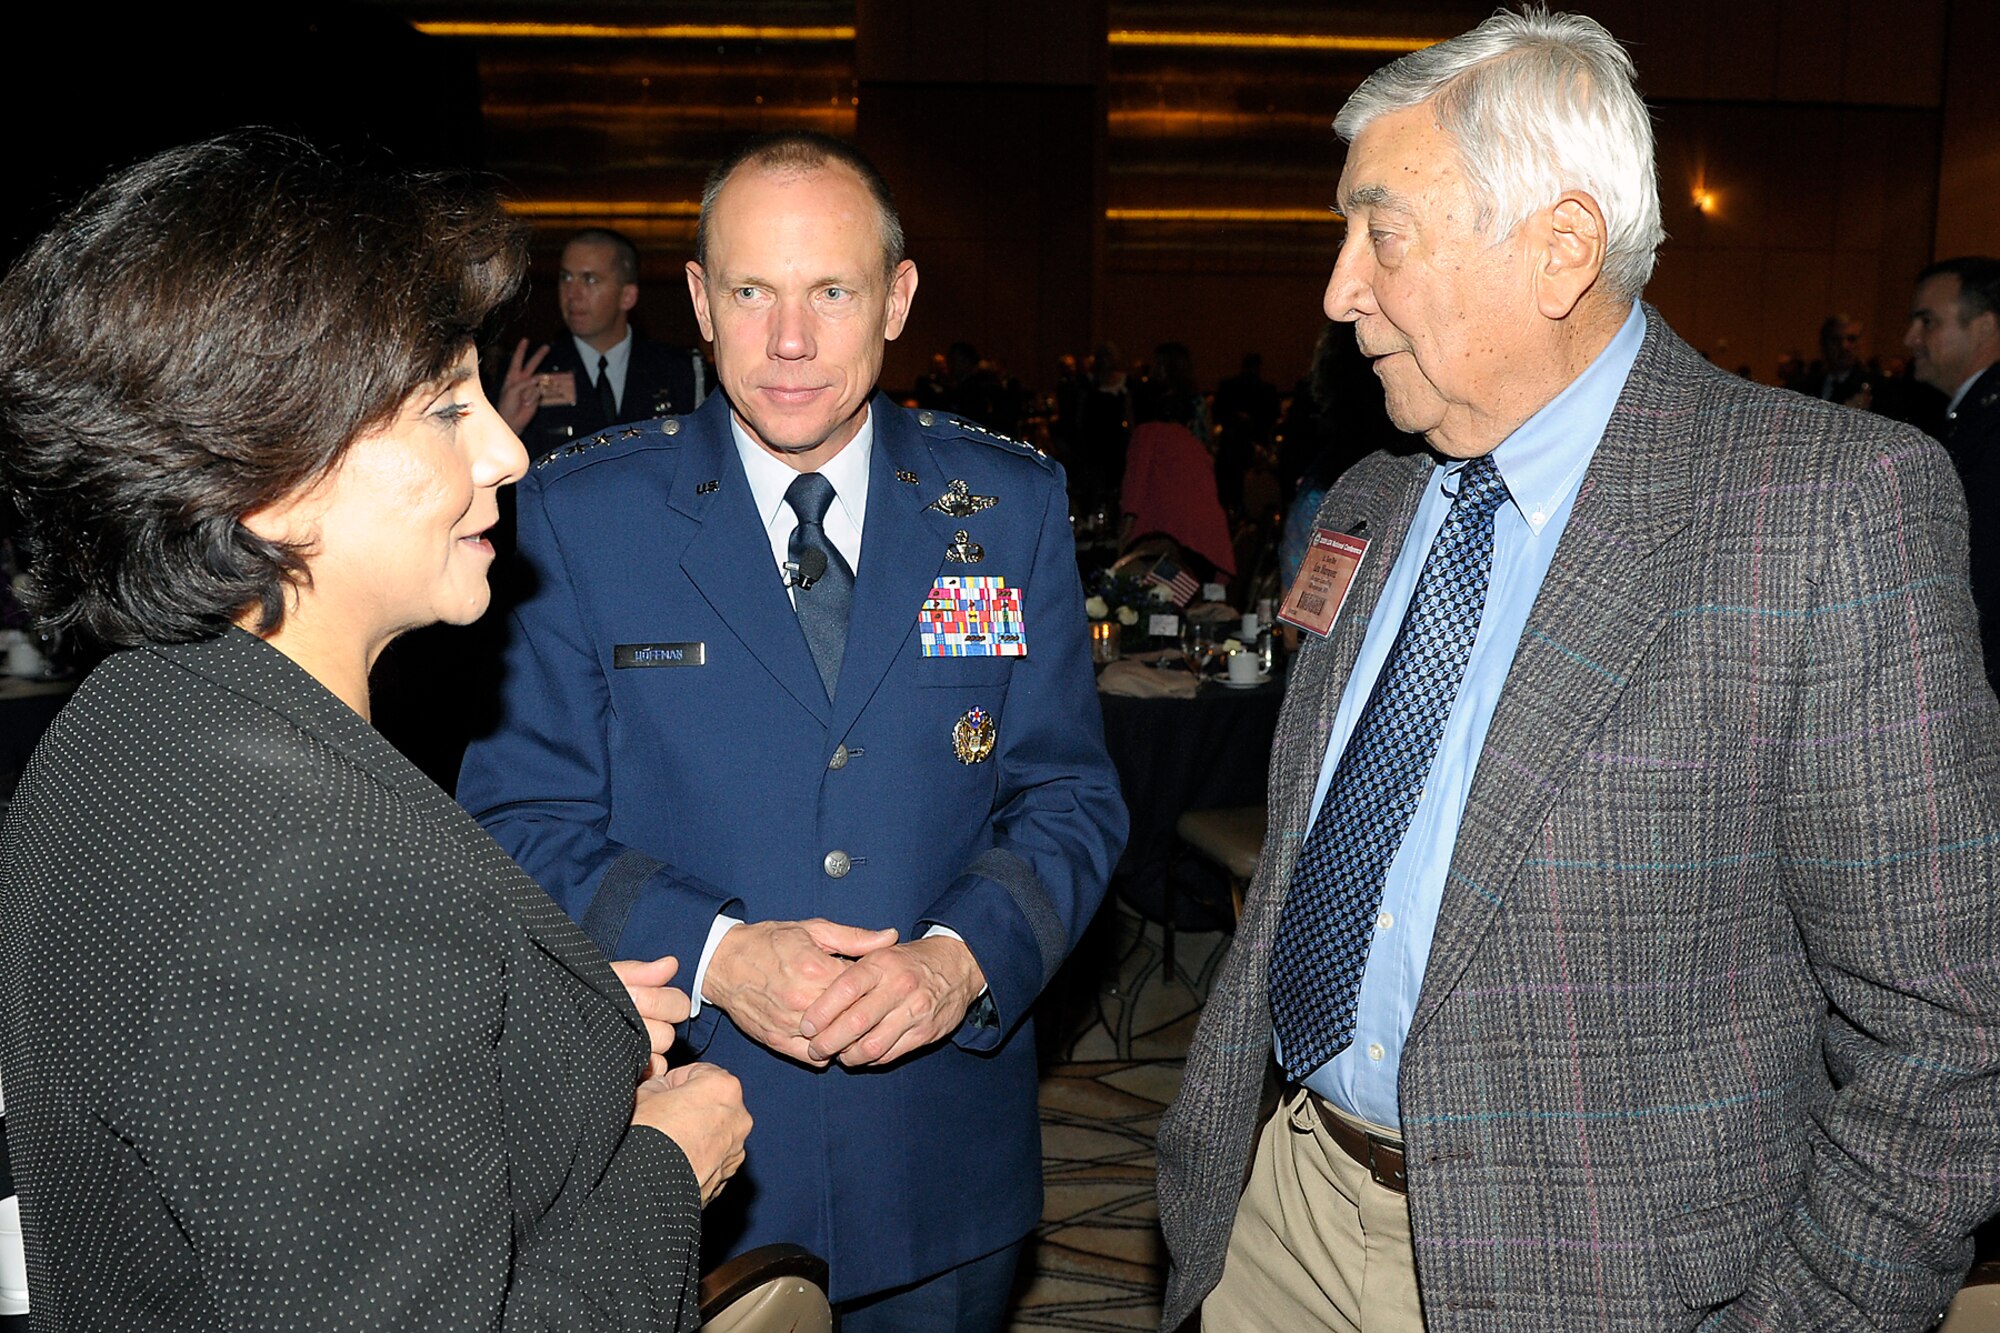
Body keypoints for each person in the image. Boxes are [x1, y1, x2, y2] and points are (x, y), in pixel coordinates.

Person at [1155, 11, 2000, 1332]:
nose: (1336, 290)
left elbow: (1945, 1040)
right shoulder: (1374, 500)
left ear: (1555, 249)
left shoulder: (1823, 508)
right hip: (1286, 1210)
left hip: (1600, 1278)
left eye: (1380, 229)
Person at [0, 131, 750, 1331]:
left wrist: (548, 1029)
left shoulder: (140, 710)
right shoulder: (302, 865)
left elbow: (258, 1086)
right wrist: (666, 1164)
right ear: (263, 465)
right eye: (447, 408)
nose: (505, 449)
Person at [457, 131, 1125, 1330]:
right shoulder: (580, 515)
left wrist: (961, 957)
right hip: (681, 1145)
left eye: (831, 292)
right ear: (702, 303)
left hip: (940, 1152)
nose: (791, 342)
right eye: (753, 292)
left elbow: (1068, 795)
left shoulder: (1009, 505)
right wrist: (715, 952)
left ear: (897, 300)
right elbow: (517, 819)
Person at [498, 227, 707, 459]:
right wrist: (504, 428)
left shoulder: (677, 370)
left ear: (627, 296)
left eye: (589, 279)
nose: (572, 293)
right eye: (566, 277)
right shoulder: (529, 371)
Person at [1907, 256, 2000, 685]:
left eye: (1928, 322)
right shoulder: (1971, 415)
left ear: (1984, 327)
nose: (1910, 338)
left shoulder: (1990, 425)